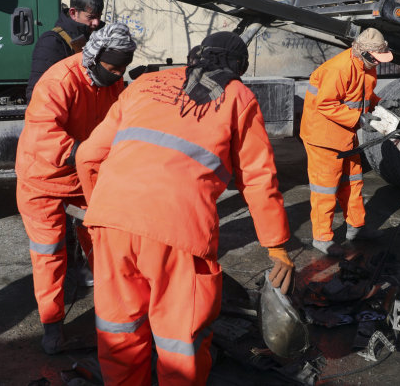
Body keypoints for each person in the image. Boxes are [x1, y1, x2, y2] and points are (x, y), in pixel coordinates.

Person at [76, 31, 293, 386]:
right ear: (238, 66)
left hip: (111, 224)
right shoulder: (238, 97)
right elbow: (258, 179)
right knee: (180, 344)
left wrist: (101, 212)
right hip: (177, 234)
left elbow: (87, 155)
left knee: (119, 334)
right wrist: (277, 246)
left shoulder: (145, 83)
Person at [15, 23, 136, 354]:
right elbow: (42, 134)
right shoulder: (58, 81)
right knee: (49, 253)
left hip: (83, 177)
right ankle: (52, 325)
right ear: (94, 57)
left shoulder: (114, 83)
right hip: (42, 178)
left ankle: (114, 312)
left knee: (104, 243)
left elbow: (119, 123)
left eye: (122, 69)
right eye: (112, 68)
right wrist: (85, 154)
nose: (116, 75)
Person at [300, 28, 393, 255]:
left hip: (345, 134)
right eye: (377, 59)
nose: (379, 63)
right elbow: (326, 104)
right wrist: (360, 119)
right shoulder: (339, 69)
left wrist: (383, 106)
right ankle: (322, 238)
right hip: (323, 138)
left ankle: (356, 228)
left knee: (352, 182)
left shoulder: (367, 68)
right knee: (326, 189)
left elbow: (364, 97)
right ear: (365, 53)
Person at [26, 0, 105, 101]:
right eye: (91, 17)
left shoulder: (98, 37)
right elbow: (38, 93)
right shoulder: (52, 42)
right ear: (73, 13)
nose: (96, 23)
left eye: (99, 16)